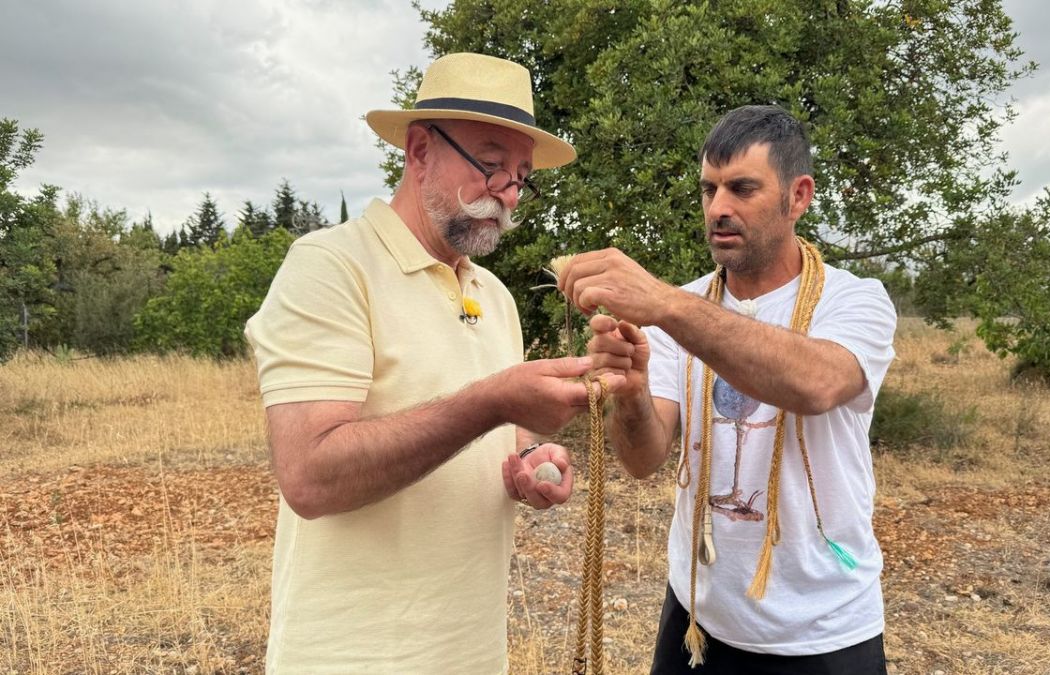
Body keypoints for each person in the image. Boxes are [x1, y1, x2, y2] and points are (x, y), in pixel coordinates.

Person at [244, 52, 618, 673]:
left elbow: (499, 434)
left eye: (520, 176)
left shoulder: (495, 297)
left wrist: (530, 459)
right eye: (491, 164)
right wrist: (491, 400)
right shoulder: (330, 267)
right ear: (419, 150)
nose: (506, 192)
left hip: (473, 654)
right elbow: (308, 476)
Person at [559, 105, 896, 673]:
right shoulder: (681, 313)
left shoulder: (854, 300)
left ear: (799, 196)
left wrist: (665, 303)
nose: (718, 208)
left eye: (742, 188)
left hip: (822, 633)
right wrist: (633, 394)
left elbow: (816, 382)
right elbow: (642, 459)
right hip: (696, 619)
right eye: (709, 189)